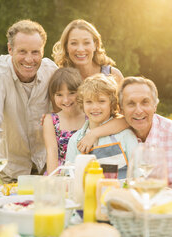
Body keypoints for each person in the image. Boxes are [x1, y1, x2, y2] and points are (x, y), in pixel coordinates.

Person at [0, 20, 58, 194]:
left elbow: (65, 115)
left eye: (35, 52)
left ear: (43, 50)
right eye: (22, 52)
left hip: (46, 168)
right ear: (10, 49)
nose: (29, 59)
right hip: (12, 170)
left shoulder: (51, 71)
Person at [53, 19, 127, 153]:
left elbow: (127, 119)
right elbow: (57, 118)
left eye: (86, 42)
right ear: (66, 47)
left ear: (95, 45)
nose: (80, 49)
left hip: (110, 148)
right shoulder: (61, 79)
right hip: (74, 150)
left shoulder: (113, 75)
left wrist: (94, 134)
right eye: (74, 43)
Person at [118, 76, 172, 187]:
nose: (138, 111)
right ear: (121, 109)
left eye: (145, 102)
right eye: (131, 103)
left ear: (155, 106)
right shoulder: (115, 137)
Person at [66, 74, 138, 179]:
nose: (95, 107)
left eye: (101, 101)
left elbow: (138, 172)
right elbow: (70, 176)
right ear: (83, 104)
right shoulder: (75, 140)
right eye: (89, 102)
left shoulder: (125, 135)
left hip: (119, 193)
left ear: (112, 103)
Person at [43, 67, 85, 175]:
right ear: (53, 96)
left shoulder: (89, 117)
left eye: (71, 93)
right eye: (59, 95)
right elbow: (51, 153)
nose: (66, 100)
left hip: (86, 172)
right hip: (61, 175)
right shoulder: (51, 120)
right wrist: (54, 183)